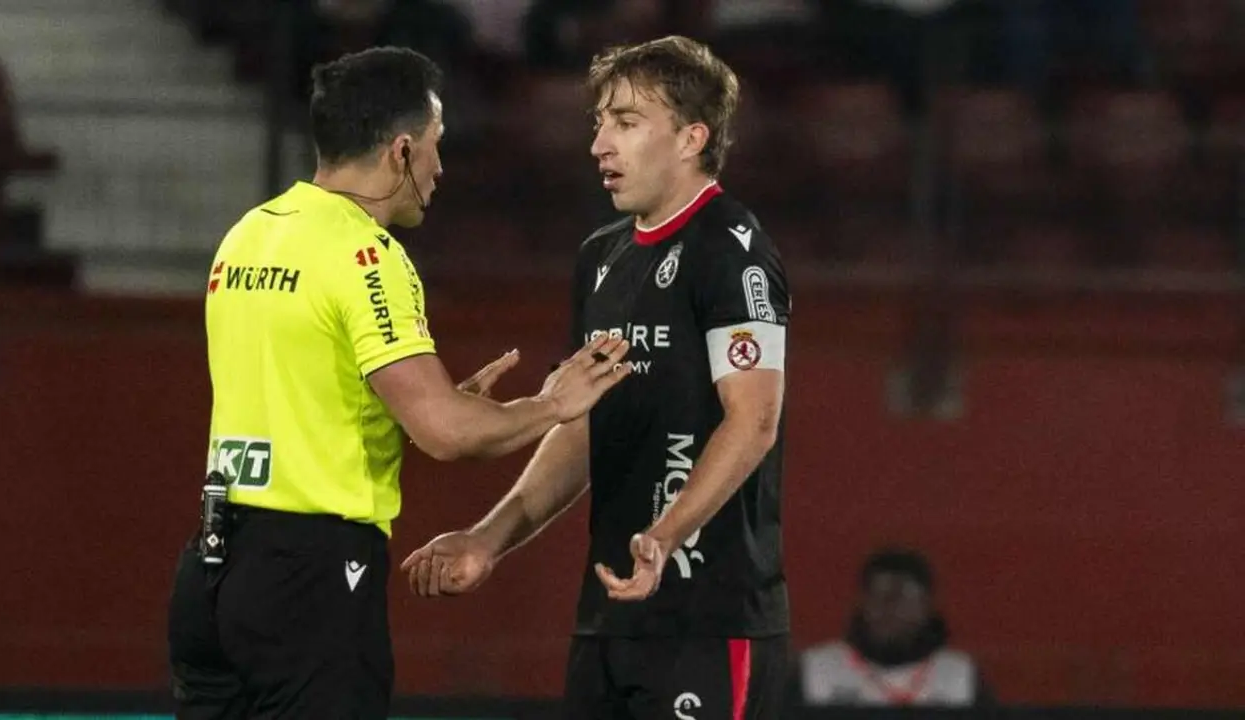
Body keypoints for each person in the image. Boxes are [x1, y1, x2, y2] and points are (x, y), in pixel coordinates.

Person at [166, 46, 632, 720]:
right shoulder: (368, 256)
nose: (442, 166)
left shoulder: (249, 234)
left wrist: (415, 410)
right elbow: (447, 435)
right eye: (437, 145)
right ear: (403, 151)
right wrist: (552, 404)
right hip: (310, 579)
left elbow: (304, 405)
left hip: (211, 572)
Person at [403, 35, 791, 719]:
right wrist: (487, 540)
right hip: (608, 619)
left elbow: (755, 419)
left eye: (626, 122)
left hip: (705, 619)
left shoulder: (731, 251)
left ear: (691, 138)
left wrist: (666, 537)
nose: (599, 145)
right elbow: (581, 424)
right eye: (599, 122)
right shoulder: (601, 259)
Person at [796, 548, 993, 706]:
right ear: (862, 603)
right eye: (879, 597)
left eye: (902, 599)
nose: (889, 609)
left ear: (926, 607)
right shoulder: (816, 671)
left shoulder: (960, 677)